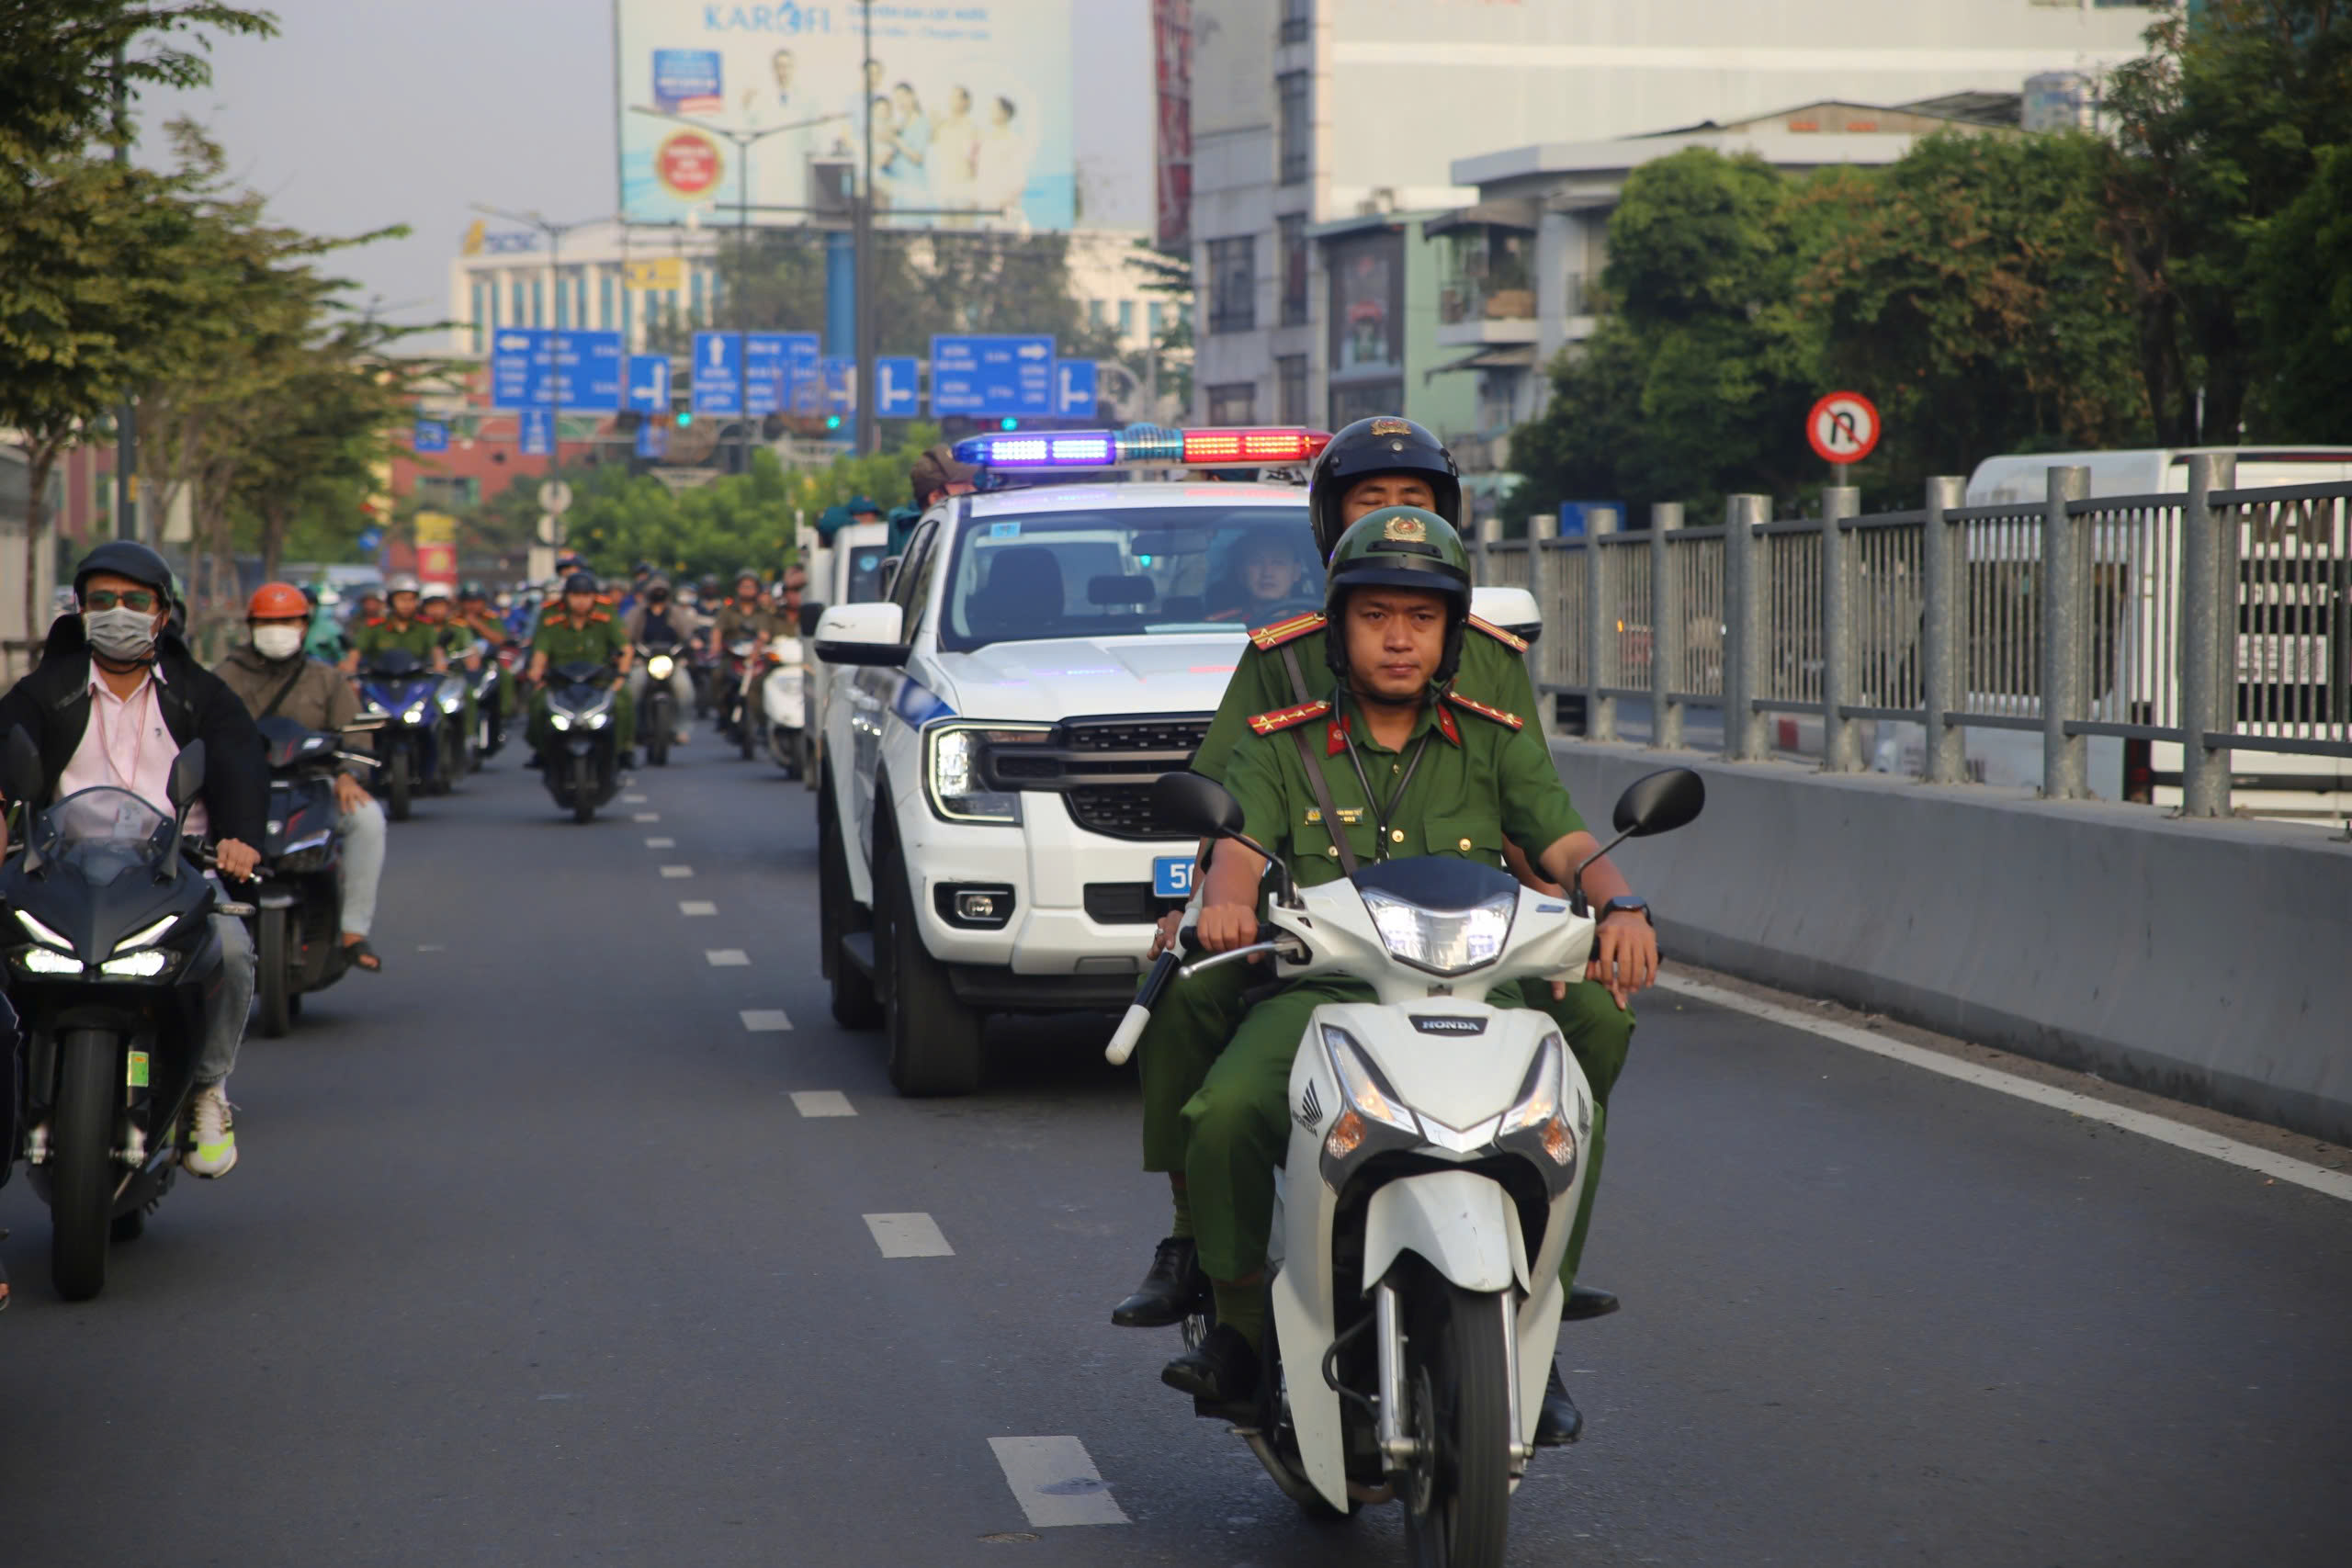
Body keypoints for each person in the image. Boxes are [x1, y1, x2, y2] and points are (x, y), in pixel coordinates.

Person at [1111, 415, 1629, 1445]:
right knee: (1213, 1077)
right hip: (1326, 962)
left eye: (1421, 618)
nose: (1401, 636)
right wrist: (1216, 895)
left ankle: (1538, 1308)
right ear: (1340, 596)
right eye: (1378, 614)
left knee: (1582, 1072)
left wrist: (1603, 915)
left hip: (1471, 961)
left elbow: (1544, 822)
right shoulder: (1282, 693)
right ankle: (1226, 1294)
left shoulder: (1485, 694)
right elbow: (1241, 824)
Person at [0, 542, 266, 1179]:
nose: (118, 613)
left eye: (135, 601)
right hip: (58, 873)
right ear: (79, 610)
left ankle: (206, 1089)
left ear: (163, 614)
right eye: (102, 601)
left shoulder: (202, 695)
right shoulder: (42, 694)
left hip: (171, 874)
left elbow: (240, 763)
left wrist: (241, 837)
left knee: (230, 946)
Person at [214, 582, 387, 974]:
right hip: (242, 789)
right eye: (268, 622)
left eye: (288, 620)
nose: (278, 629)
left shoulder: (327, 679)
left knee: (369, 821)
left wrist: (350, 775)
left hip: (313, 786)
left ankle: (353, 933)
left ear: (305, 626)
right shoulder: (224, 676)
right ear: (252, 625)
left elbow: (357, 734)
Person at [526, 571, 634, 765]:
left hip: (598, 679)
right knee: (538, 703)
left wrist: (620, 678)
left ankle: (623, 750)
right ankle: (541, 751)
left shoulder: (606, 613)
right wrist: (536, 672)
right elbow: (540, 650)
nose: (581, 601)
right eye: (575, 595)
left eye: (586, 595)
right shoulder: (551, 614)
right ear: (566, 596)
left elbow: (625, 649)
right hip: (561, 679)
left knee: (623, 701)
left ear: (594, 596)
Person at [621, 576, 695, 748]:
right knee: (633, 689)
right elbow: (626, 635)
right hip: (644, 660)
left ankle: (682, 728)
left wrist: (689, 645)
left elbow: (687, 634)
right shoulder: (638, 612)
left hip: (671, 661)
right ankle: (632, 729)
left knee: (685, 689)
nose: (659, 592)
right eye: (655, 589)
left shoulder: (675, 612)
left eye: (662, 590)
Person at [1204, 529, 1317, 623]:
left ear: (1296, 573)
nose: (1267, 573)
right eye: (1256, 562)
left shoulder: (1315, 624)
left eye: (1278, 562)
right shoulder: (1220, 626)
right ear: (1241, 573)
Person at [345, 574, 446, 674]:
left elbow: (436, 650)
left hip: (417, 681)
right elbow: (356, 651)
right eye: (402, 599)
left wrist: (439, 666)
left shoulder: (425, 627)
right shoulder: (375, 627)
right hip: (380, 680)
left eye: (411, 600)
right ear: (391, 601)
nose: (407, 604)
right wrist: (350, 667)